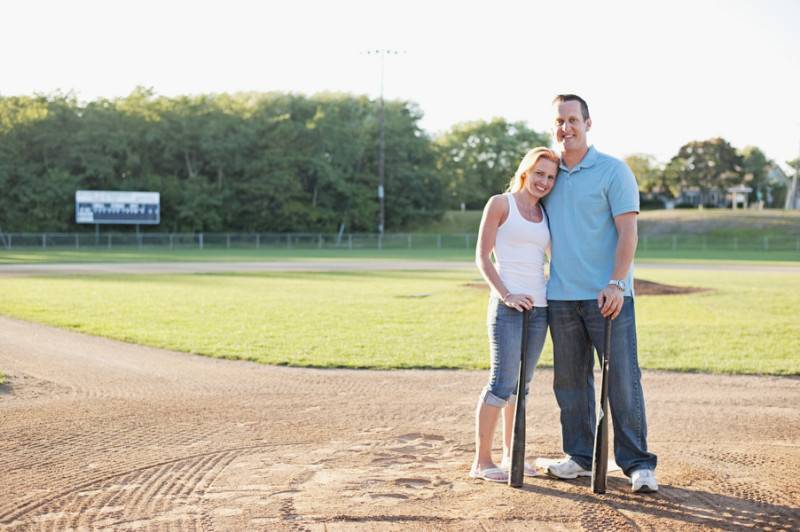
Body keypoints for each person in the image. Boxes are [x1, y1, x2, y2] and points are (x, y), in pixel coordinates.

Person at [543, 94, 658, 493]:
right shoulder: (548, 175)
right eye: (559, 121)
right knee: (570, 383)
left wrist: (616, 283)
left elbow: (629, 231)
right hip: (560, 297)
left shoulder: (613, 171)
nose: (566, 127)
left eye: (573, 119)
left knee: (622, 381)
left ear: (588, 124)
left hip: (609, 297)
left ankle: (638, 465)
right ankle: (580, 457)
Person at [469, 147, 560, 482]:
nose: (544, 181)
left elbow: (556, 257)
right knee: (501, 384)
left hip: (539, 309)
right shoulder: (500, 204)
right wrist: (506, 294)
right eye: (540, 173)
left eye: (551, 177)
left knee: (521, 387)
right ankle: (481, 462)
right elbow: (482, 257)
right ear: (526, 170)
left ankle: (511, 456)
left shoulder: (546, 214)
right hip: (507, 308)